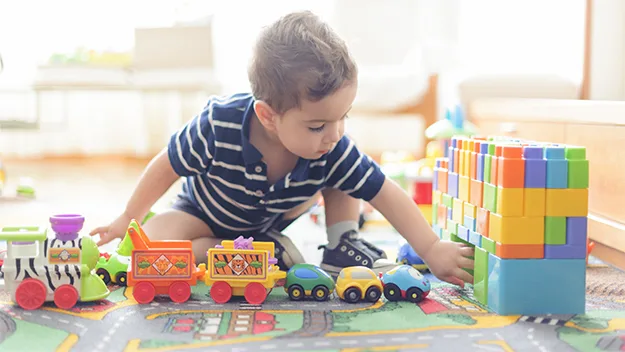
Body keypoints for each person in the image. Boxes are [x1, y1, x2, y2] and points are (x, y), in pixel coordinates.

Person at [90, 10, 474, 286]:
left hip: (277, 213)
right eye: (318, 124)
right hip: (205, 213)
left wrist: (431, 247)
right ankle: (245, 249)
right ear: (268, 116)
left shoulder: (331, 142)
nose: (335, 132)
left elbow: (385, 192)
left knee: (345, 171)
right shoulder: (217, 124)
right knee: (147, 247)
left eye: (345, 116)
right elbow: (168, 164)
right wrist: (128, 216)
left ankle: (342, 241)